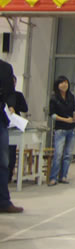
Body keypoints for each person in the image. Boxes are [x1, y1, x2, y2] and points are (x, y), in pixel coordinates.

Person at [0, 59, 23, 213]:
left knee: (3, 162)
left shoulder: (5, 68)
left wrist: (11, 105)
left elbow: (10, 93)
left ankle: (3, 201)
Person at [48, 76, 75, 186]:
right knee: (58, 154)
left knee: (68, 155)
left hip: (71, 129)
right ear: (57, 85)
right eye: (62, 83)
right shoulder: (54, 98)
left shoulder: (71, 97)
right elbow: (52, 115)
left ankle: (63, 176)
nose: (64, 85)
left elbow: (73, 110)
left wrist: (73, 118)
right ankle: (53, 177)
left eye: (66, 83)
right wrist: (65, 120)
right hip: (60, 129)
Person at [8, 76, 28, 182]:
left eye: (13, 82)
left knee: (11, 152)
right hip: (4, 124)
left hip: (14, 125)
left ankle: (9, 175)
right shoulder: (3, 95)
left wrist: (13, 107)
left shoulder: (18, 95)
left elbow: (25, 108)